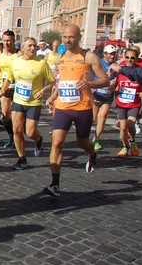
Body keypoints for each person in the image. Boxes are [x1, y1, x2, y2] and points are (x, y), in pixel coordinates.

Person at [44, 24, 108, 197]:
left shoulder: (89, 57)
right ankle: (55, 183)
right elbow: (61, 82)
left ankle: (92, 152)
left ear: (79, 37)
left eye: (71, 37)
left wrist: (90, 84)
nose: (67, 40)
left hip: (83, 108)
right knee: (56, 142)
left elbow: (105, 80)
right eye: (65, 37)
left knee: (82, 142)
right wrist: (53, 96)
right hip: (63, 108)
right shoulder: (60, 58)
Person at [0, 37, 54, 170]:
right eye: (29, 46)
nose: (33, 48)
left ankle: (38, 139)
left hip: (33, 103)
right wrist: (2, 90)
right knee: (16, 130)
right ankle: (21, 158)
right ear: (23, 48)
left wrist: (43, 91)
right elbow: (9, 78)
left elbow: (52, 82)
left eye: (34, 46)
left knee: (29, 132)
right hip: (18, 100)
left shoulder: (41, 63)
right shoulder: (15, 62)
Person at [110, 48, 142, 157]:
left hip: (134, 103)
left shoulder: (140, 71)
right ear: (124, 57)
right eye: (127, 57)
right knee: (123, 127)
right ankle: (125, 147)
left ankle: (133, 141)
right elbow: (112, 85)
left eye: (132, 58)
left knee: (130, 124)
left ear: (136, 59)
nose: (130, 60)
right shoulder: (119, 70)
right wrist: (112, 85)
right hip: (121, 103)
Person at [0, 31, 19, 148]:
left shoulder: (19, 54)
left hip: (17, 87)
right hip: (4, 87)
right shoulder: (0, 55)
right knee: (5, 114)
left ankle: (18, 137)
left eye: (9, 40)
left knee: (17, 117)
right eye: (5, 40)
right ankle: (11, 137)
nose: (7, 43)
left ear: (13, 41)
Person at [91, 45, 117, 151]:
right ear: (105, 54)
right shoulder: (99, 63)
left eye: (114, 53)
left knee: (102, 117)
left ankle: (96, 140)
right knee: (93, 119)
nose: (112, 56)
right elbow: (89, 74)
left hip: (108, 96)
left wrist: (115, 85)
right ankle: (83, 136)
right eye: (110, 54)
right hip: (96, 94)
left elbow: (118, 79)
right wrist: (91, 86)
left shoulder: (116, 66)